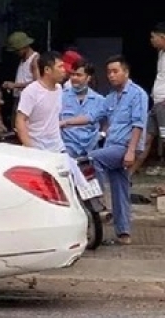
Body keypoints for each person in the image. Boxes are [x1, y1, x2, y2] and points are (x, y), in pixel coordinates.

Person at [89, 55, 149, 246]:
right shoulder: (111, 97)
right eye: (109, 72)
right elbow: (93, 116)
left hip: (125, 146)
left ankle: (98, 201)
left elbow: (138, 124)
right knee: (120, 188)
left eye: (115, 71)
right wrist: (65, 122)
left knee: (92, 159)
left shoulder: (137, 94)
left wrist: (131, 152)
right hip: (112, 145)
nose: (111, 76)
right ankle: (124, 233)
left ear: (126, 72)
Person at [129, 22, 165, 176]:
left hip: (163, 103)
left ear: (162, 37)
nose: (151, 40)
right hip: (157, 103)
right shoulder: (161, 53)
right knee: (146, 139)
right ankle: (129, 175)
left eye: (153, 37)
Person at [14, 51, 66, 153]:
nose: (63, 70)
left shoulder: (59, 89)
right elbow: (20, 121)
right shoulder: (31, 91)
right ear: (47, 70)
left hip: (57, 147)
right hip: (38, 148)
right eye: (60, 67)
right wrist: (30, 149)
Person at [59, 58, 107, 158]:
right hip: (67, 147)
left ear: (88, 78)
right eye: (72, 74)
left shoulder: (100, 100)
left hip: (91, 148)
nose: (74, 78)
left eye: (79, 75)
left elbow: (108, 121)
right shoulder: (61, 96)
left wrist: (102, 134)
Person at [2, 31, 41, 103]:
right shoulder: (23, 59)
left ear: (25, 47)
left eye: (17, 50)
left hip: (29, 100)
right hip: (19, 98)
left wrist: (15, 85)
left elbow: (38, 83)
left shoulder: (34, 60)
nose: (16, 53)